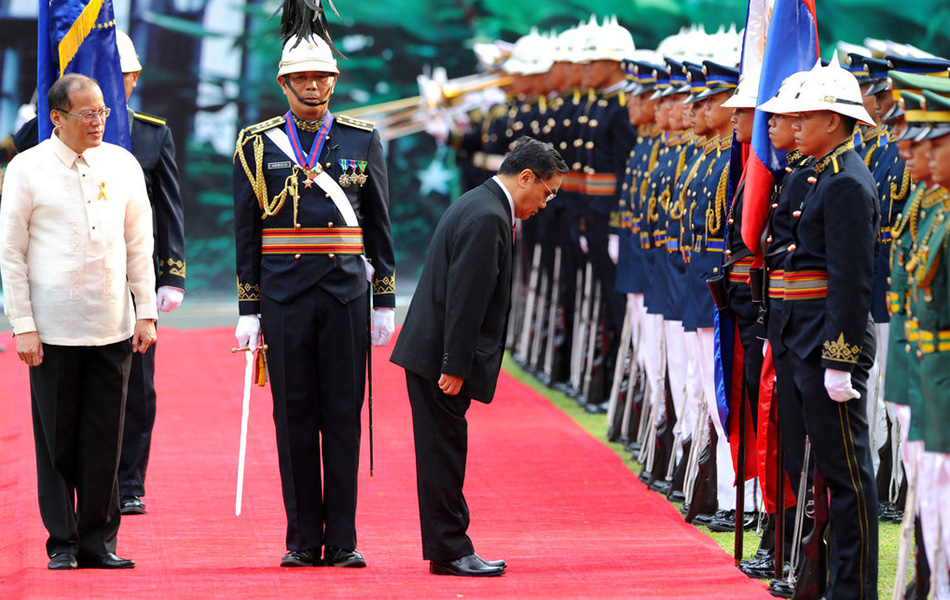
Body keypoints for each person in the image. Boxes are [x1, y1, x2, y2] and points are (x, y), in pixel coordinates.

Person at [232, 34, 396, 568]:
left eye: (322, 76)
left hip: (346, 293)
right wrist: (248, 308)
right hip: (284, 294)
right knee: (294, 415)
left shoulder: (361, 138)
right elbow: (246, 232)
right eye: (302, 77)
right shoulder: (256, 145)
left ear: (334, 81)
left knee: (343, 415)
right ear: (284, 83)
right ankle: (302, 539)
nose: (314, 85)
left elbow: (379, 225)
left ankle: (343, 539)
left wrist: (384, 300)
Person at [0, 73, 158, 570]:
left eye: (103, 112)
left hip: (112, 322)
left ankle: (97, 541)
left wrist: (146, 311)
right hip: (51, 328)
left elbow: (140, 244)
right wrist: (22, 323)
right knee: (57, 441)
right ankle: (62, 543)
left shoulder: (123, 163)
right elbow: (11, 253)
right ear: (57, 117)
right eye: (87, 114)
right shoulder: (27, 169)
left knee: (105, 438)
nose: (97, 122)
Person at [391, 137, 566, 577]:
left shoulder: (481, 203)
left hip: (434, 352)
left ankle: (449, 546)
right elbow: (465, 298)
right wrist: (454, 364)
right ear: (526, 177)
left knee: (443, 451)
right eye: (546, 192)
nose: (545, 204)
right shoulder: (488, 216)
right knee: (443, 454)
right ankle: (451, 549)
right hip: (440, 358)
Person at [767, 58, 880, 599]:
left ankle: (852, 588)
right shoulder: (813, 175)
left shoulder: (847, 183)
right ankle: (819, 577)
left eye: (803, 117)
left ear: (833, 121)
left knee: (844, 476)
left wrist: (840, 358)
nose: (793, 127)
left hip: (827, 344)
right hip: (798, 337)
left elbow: (851, 280)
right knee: (804, 466)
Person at [113, 30, 187, 516]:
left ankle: (129, 483)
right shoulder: (45, 129)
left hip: (135, 278)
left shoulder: (152, 133)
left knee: (138, 384)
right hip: (76, 282)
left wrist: (172, 275)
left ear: (134, 78)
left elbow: (170, 210)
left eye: (116, 73)